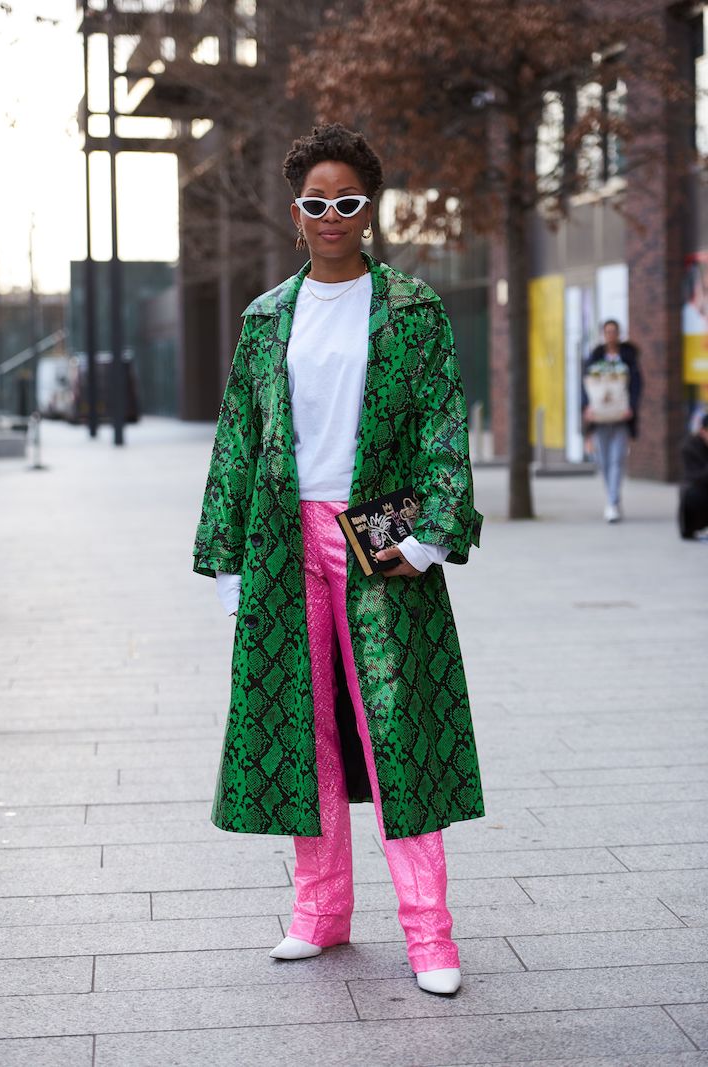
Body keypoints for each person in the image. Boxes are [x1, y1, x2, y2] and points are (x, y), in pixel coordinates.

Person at [192, 123, 485, 997]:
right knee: (302, 725)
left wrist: (430, 533)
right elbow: (237, 444)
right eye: (316, 202)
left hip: (377, 535)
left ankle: (429, 932)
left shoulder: (412, 309)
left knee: (397, 727)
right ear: (296, 212)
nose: (331, 215)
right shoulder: (264, 318)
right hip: (283, 539)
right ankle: (319, 912)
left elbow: (442, 425)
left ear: (369, 209)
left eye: (347, 201)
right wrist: (232, 567)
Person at [581, 319, 642, 523]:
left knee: (617, 460)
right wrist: (586, 408)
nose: (611, 335)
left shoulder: (628, 357)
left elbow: (636, 385)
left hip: (621, 418)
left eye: (614, 331)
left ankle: (612, 502)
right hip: (600, 418)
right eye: (607, 331)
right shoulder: (595, 356)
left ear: (619, 333)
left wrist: (631, 408)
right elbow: (586, 386)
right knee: (604, 461)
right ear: (603, 334)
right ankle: (612, 497)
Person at [678, 412, 708, 540]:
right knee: (692, 494)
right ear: (702, 431)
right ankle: (693, 527)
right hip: (698, 490)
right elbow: (695, 477)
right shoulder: (689, 447)